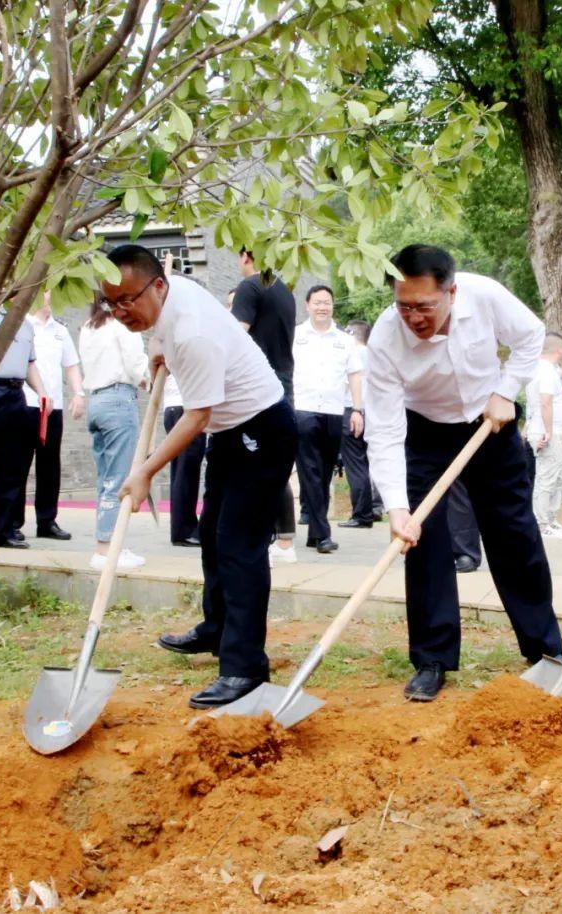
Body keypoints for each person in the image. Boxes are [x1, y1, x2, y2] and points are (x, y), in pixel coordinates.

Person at [366, 244, 562, 702]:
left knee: (515, 535)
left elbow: (531, 336)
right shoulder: (384, 339)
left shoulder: (485, 295)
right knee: (424, 541)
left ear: (452, 291)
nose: (413, 316)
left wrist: (505, 390)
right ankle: (432, 659)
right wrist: (397, 506)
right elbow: (385, 427)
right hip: (424, 433)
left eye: (425, 305)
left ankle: (545, 651)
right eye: (403, 306)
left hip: (489, 422)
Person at [107, 245, 297, 708]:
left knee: (240, 546)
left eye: (127, 300)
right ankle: (217, 628)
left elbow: (195, 417)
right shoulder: (171, 301)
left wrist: (146, 470)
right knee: (212, 535)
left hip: (262, 428)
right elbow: (162, 334)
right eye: (110, 303)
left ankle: (245, 666)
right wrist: (156, 351)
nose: (119, 312)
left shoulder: (192, 332)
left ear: (157, 285)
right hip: (231, 431)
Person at [231, 248, 298, 565]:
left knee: (253, 461)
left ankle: (266, 540)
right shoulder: (285, 291)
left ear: (246, 256)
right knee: (276, 462)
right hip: (283, 380)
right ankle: (284, 541)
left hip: (257, 383)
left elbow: (235, 336)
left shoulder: (250, 286)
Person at [291, 285, 364, 554]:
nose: (323, 307)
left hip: (334, 411)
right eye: (318, 302)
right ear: (307, 305)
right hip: (304, 409)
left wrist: (357, 409)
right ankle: (323, 534)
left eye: (327, 302)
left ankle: (314, 532)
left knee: (323, 473)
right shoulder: (296, 335)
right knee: (309, 470)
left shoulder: (344, 339)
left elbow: (355, 374)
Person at [78, 297, 149, 571]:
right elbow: (135, 365)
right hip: (119, 399)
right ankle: (107, 548)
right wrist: (146, 376)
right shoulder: (122, 324)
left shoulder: (88, 326)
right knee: (119, 478)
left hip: (96, 400)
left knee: (106, 478)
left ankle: (107, 545)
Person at [15, 293, 85, 541]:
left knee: (50, 464)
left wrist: (78, 393)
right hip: (27, 404)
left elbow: (71, 365)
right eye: (45, 292)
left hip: (53, 408)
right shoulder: (22, 325)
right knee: (20, 463)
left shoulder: (61, 331)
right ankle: (14, 522)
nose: (49, 297)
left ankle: (47, 520)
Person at [0, 309, 49, 549]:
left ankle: (2, 529)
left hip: (16, 394)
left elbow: (30, 364)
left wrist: (42, 392)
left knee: (13, 465)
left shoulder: (27, 326)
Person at [338, 320, 384, 528]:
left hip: (352, 409)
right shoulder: (375, 355)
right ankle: (374, 507)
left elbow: (346, 384)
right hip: (375, 412)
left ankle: (361, 513)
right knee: (373, 463)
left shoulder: (350, 353)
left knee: (355, 465)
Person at [526, 332, 562, 538]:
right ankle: (541, 522)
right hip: (546, 431)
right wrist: (548, 431)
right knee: (547, 477)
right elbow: (545, 402)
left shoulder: (545, 369)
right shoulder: (544, 371)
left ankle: (551, 519)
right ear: (559, 350)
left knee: (560, 476)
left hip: (554, 431)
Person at [163, 371, 205, 546]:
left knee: (182, 469)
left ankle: (182, 528)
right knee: (186, 470)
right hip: (186, 407)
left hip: (173, 407)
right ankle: (184, 530)